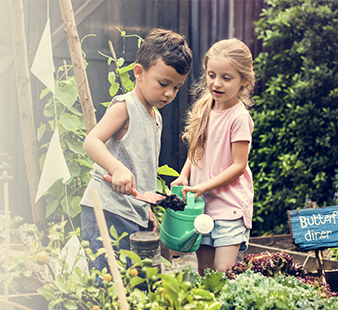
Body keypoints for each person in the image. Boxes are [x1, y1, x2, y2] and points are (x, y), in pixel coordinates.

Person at [79, 28, 193, 273]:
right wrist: (116, 168)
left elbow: (143, 167)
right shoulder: (125, 106)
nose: (169, 93)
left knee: (134, 283)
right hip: (107, 209)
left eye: (176, 87)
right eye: (163, 84)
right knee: (109, 283)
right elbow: (91, 142)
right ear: (139, 72)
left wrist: (147, 207)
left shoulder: (156, 118)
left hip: (134, 213)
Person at [171, 38, 256, 276]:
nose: (216, 84)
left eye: (226, 78)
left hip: (229, 209)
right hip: (202, 206)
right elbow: (196, 147)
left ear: (244, 81)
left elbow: (239, 166)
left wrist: (202, 186)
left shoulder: (239, 118)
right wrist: (184, 175)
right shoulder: (205, 107)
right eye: (211, 75)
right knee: (204, 271)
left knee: (222, 272)